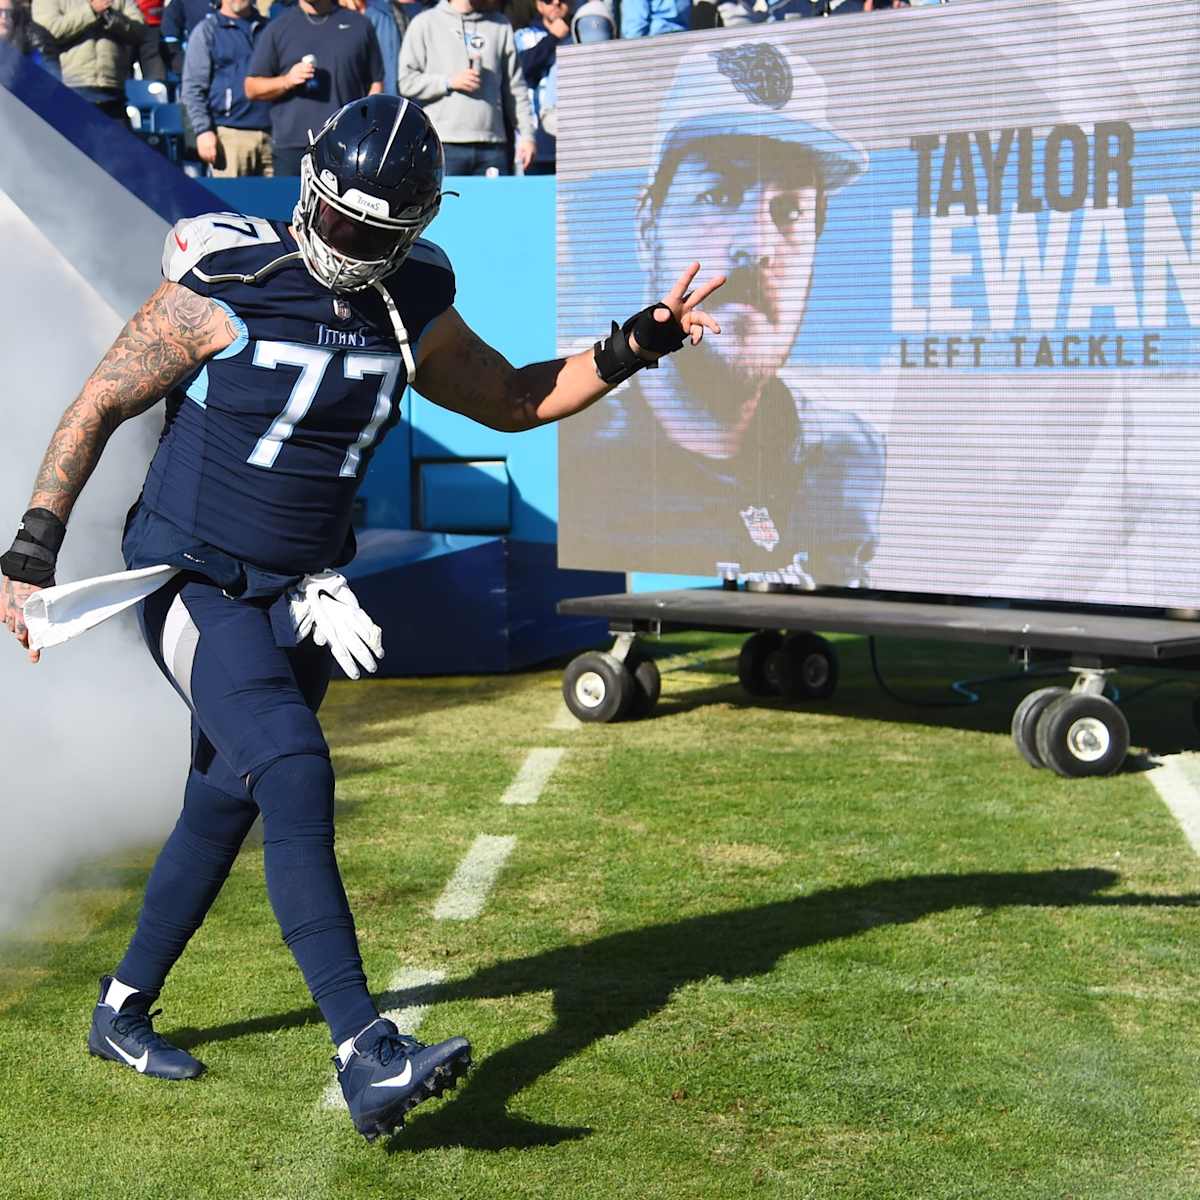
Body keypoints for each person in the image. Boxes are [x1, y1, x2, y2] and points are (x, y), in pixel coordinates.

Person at [0, 95, 724, 1141]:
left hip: (300, 591)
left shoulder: (411, 299)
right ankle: (365, 1050)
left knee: (224, 800)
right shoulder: (226, 281)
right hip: (187, 574)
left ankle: (120, 1010)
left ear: (415, 230)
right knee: (291, 768)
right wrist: (32, 545)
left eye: (378, 236)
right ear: (309, 198)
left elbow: (516, 399)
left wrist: (634, 345)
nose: (350, 250)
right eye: (341, 224)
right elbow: (100, 398)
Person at [560, 41, 885, 588]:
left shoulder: (853, 457)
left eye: (789, 212)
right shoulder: (582, 456)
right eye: (717, 196)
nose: (758, 244)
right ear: (647, 227)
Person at [243, 0, 384, 176]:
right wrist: (286, 80)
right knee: (289, 202)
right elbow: (251, 87)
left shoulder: (359, 24)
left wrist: (365, 129)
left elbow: (376, 82)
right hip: (292, 147)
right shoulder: (278, 27)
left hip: (345, 145)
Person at [398, 0, 535, 176]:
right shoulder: (425, 22)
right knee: (445, 204)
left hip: (492, 146)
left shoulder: (500, 25)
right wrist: (448, 82)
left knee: (493, 204)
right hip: (443, 143)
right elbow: (406, 82)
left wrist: (527, 136)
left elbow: (515, 88)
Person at [180, 0, 272, 176]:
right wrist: (203, 131)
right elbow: (192, 89)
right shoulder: (207, 30)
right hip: (229, 136)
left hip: (272, 134)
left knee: (278, 202)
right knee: (230, 202)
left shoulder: (269, 29)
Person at [31, 0, 144, 119]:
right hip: (71, 88)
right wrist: (90, 11)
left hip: (113, 90)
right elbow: (47, 32)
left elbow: (140, 32)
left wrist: (111, 17)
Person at [513, 0, 569, 175]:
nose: (556, 3)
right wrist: (553, 39)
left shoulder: (580, 34)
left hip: (573, 141)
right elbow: (522, 71)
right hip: (533, 139)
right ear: (538, 5)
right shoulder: (522, 36)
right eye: (548, 0)